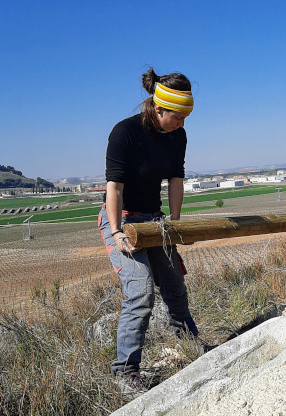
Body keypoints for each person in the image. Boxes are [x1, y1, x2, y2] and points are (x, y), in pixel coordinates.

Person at [98, 67, 200, 392]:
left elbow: (175, 180)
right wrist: (117, 232)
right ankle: (125, 372)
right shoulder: (124, 133)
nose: (183, 123)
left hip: (155, 220)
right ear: (159, 108)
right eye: (178, 116)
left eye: (186, 116)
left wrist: (175, 221)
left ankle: (192, 347)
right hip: (122, 218)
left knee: (175, 286)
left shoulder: (177, 136)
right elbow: (114, 188)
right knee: (141, 293)